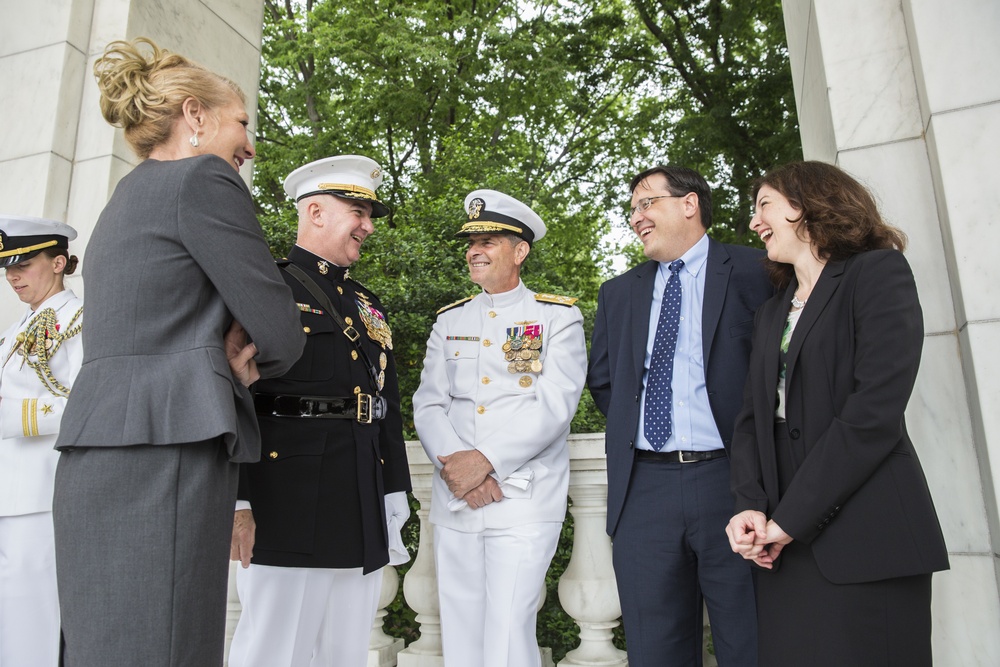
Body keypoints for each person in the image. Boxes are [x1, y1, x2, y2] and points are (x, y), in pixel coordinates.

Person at [52, 37, 306, 667]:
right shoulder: (204, 178)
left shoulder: (121, 199)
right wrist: (245, 364)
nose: (248, 145)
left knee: (108, 645)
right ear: (195, 116)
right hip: (169, 449)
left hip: (96, 452)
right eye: (241, 122)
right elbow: (279, 328)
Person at [725, 161, 949, 665]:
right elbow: (751, 420)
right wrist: (750, 506)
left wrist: (789, 520)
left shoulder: (878, 272)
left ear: (806, 205)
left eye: (764, 206)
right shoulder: (770, 312)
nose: (755, 223)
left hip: (867, 536)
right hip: (781, 547)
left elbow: (873, 414)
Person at [228, 155, 412, 667]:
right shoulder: (267, 285)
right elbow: (232, 395)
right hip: (284, 500)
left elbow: (384, 404)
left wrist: (395, 488)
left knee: (345, 653)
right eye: (358, 210)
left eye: (369, 214)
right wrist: (237, 500)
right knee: (273, 651)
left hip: (357, 495)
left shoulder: (368, 303)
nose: (368, 226)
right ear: (314, 212)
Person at [587, 166, 772, 666]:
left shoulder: (759, 271)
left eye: (646, 203)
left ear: (689, 204)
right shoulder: (618, 293)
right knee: (654, 650)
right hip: (643, 491)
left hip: (734, 485)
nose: (636, 217)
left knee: (750, 639)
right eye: (632, 209)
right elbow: (604, 382)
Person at [412, 189, 587, 667]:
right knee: (461, 630)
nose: (475, 250)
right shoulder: (450, 320)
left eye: (488, 240)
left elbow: (555, 405)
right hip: (458, 498)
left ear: (520, 250)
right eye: (471, 242)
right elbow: (428, 403)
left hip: (524, 499)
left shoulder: (557, 317)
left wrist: (484, 463)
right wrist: (459, 470)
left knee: (509, 631)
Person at [0, 216, 83, 666]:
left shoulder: (80, 321)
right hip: (8, 490)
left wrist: (11, 415)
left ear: (57, 262)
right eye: (7, 267)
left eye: (23, 264)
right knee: (9, 618)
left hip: (39, 492)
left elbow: (89, 403)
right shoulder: (15, 331)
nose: (12, 275)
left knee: (32, 618)